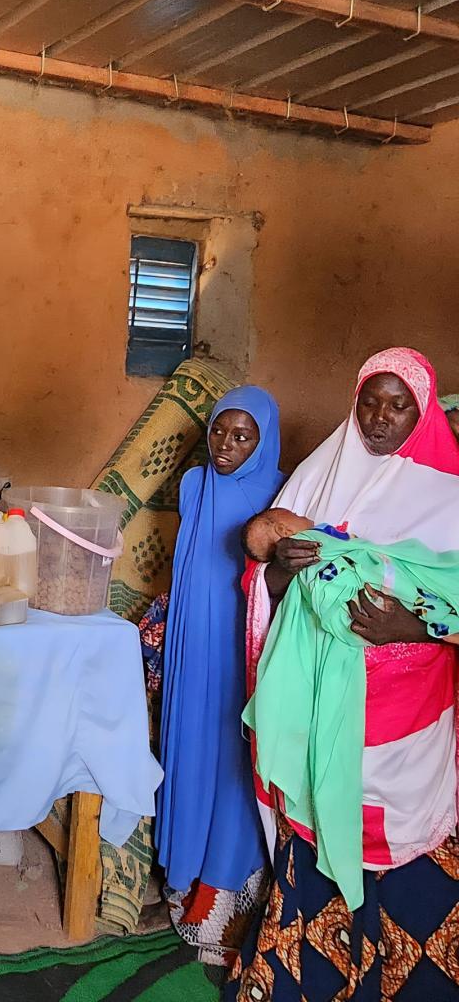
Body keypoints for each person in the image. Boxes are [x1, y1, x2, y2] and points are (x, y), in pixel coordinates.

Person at [230, 347, 459, 1002]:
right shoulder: (317, 476)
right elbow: (263, 579)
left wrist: (407, 626)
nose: (380, 417)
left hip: (406, 730)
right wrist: (281, 568)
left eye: (398, 405)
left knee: (398, 843)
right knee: (320, 833)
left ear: (423, 411)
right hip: (320, 710)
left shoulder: (450, 496)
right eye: (370, 401)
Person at [154, 388, 283, 968]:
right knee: (190, 745)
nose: (226, 446)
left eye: (243, 436)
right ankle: (184, 873)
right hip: (192, 641)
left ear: (265, 440)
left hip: (241, 648)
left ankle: (223, 885)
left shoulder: (278, 495)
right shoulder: (193, 485)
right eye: (220, 432)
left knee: (235, 754)